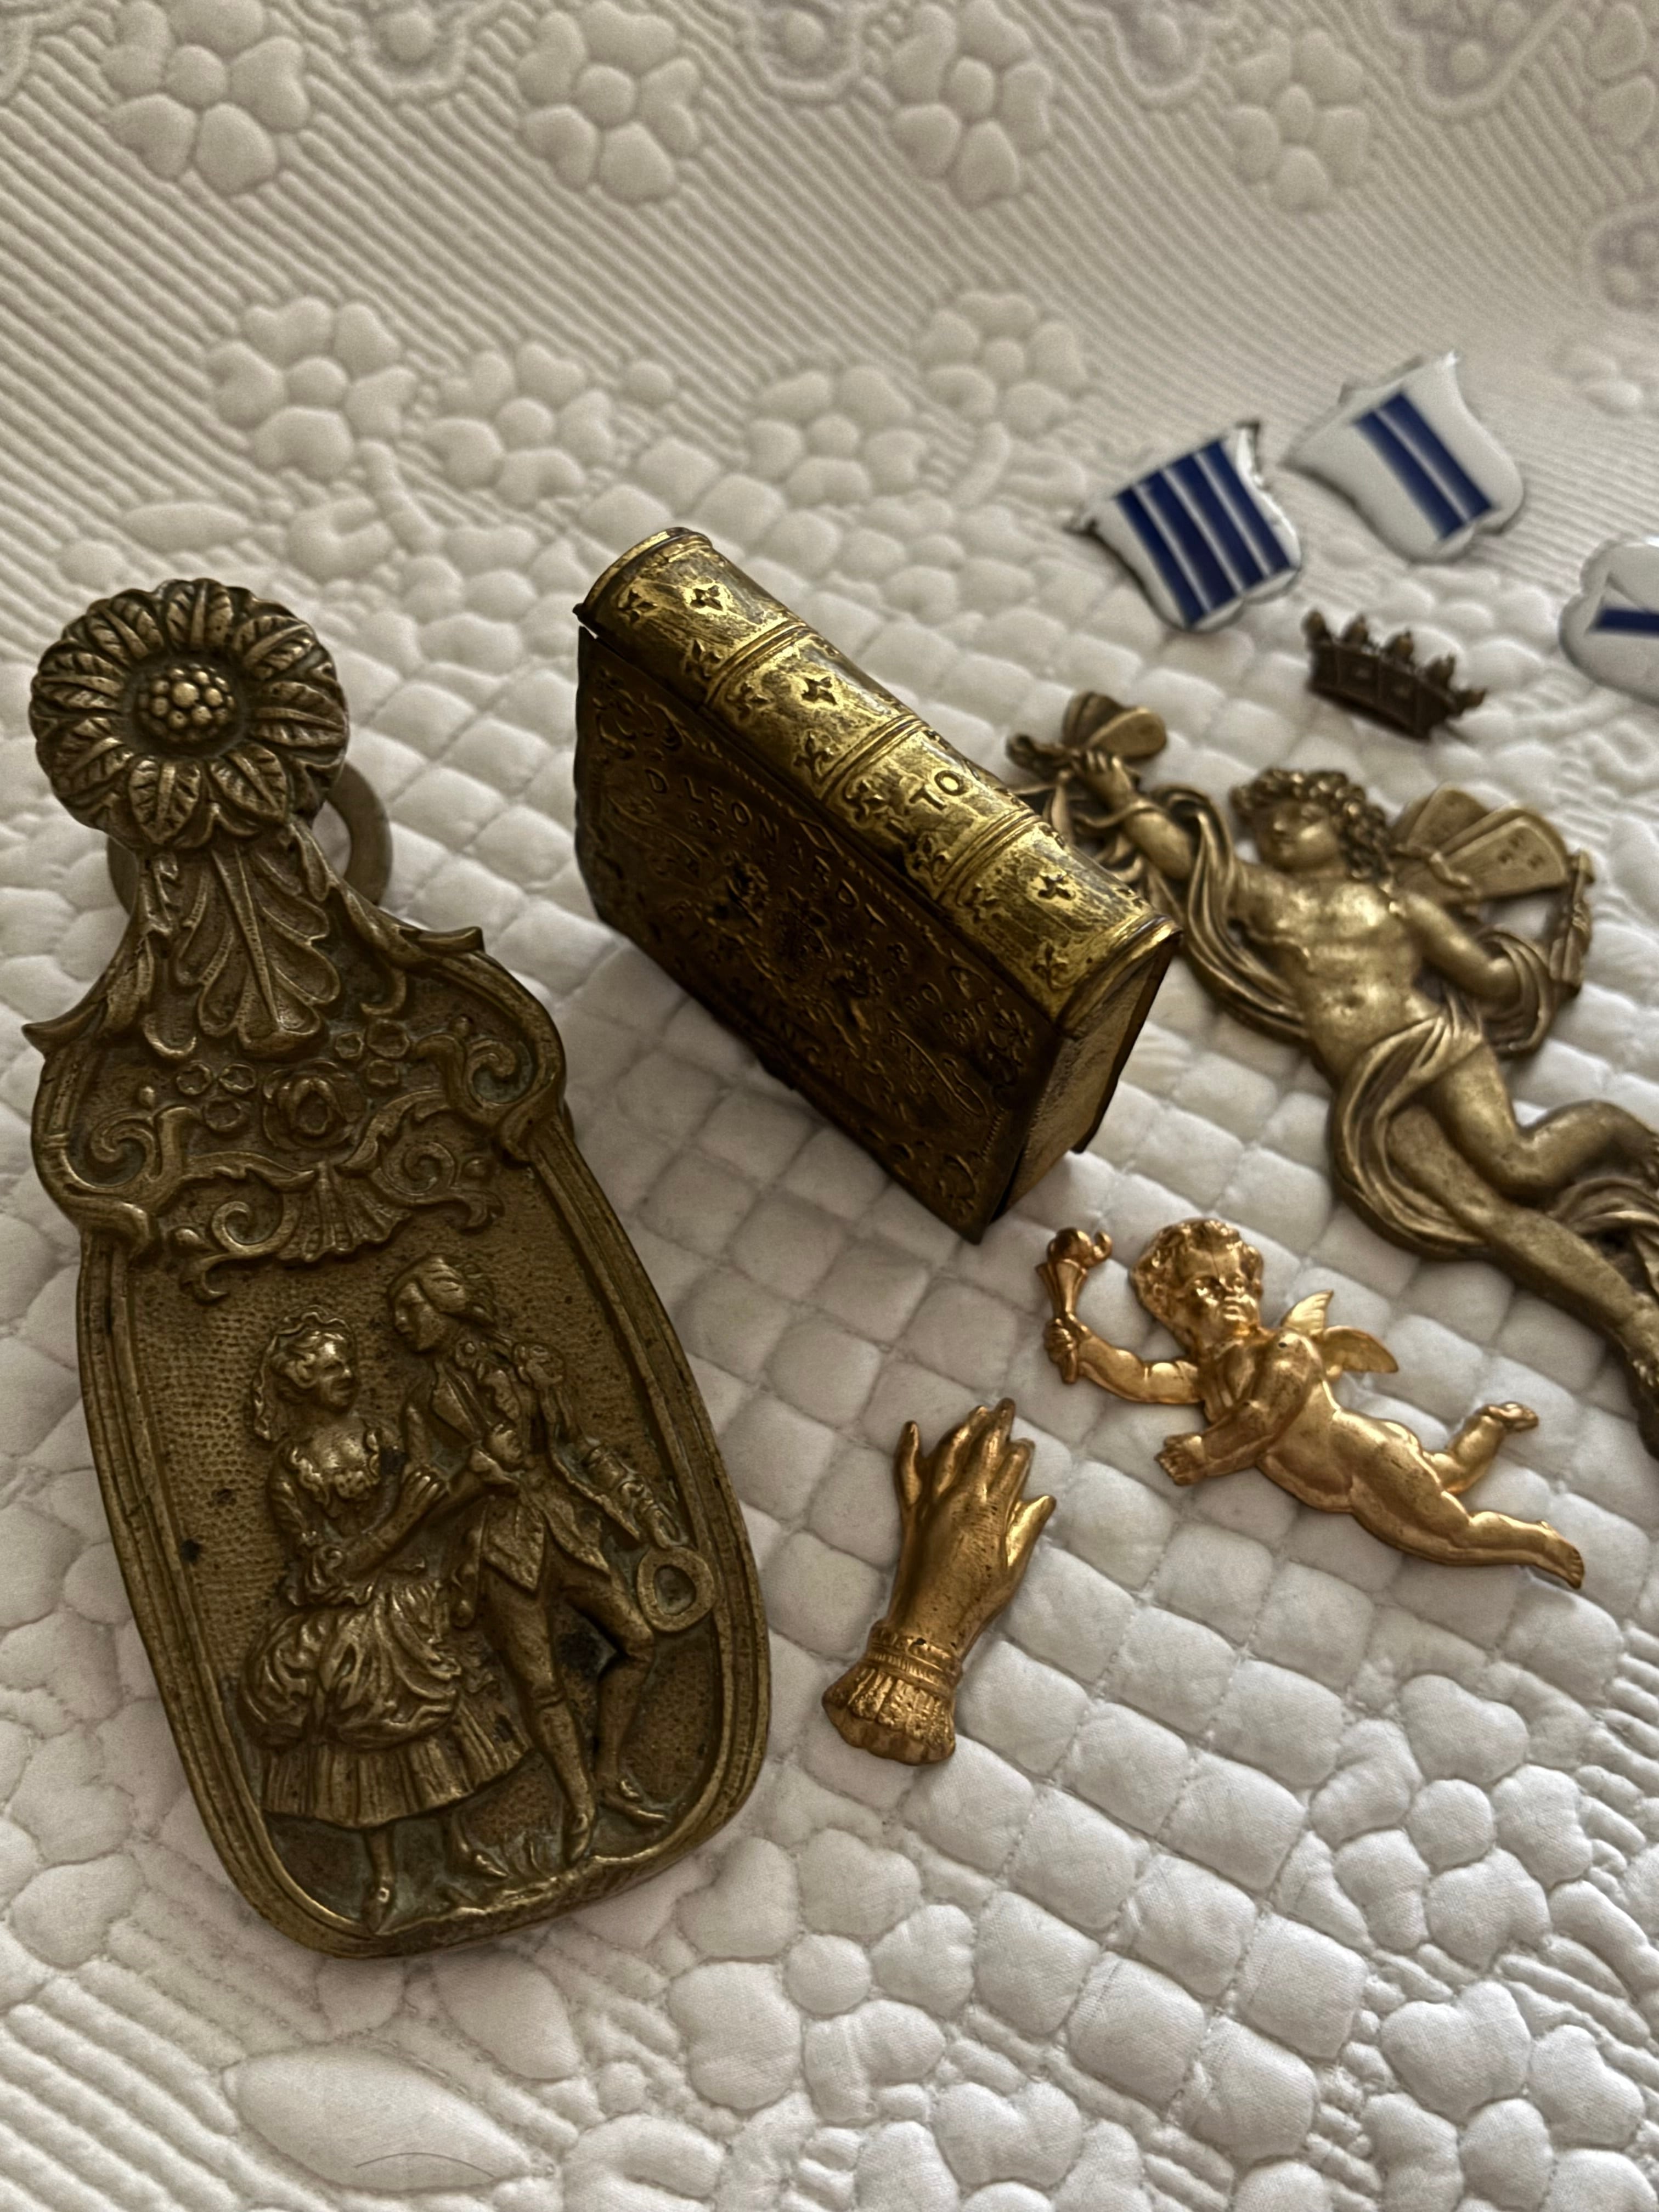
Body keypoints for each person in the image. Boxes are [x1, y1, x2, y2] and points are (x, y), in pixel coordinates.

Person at [1089, 758, 1659, 1428]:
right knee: (1481, 1216)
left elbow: (1486, 980)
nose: (1280, 832)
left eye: (1303, 817)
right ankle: (1636, 1320)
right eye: (1269, 825)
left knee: (1519, 1166)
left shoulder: (1400, 904)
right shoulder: (1269, 898)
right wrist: (1123, 795)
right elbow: (1188, 861)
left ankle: (1622, 1133)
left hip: (1438, 1046)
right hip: (1371, 1083)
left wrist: (1551, 953)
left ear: (1347, 828)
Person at [1043, 1217, 1583, 1585]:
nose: (1230, 1294)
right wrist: (1085, 1346)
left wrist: (1207, 1451)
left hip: (1367, 1455)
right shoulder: (1204, 1377)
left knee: (1452, 1533)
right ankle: (1491, 1424)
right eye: (1206, 1288)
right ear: (1172, 1310)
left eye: (1238, 1282)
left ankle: (1538, 1544)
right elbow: (1140, 1378)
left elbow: (1264, 1417)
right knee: (1445, 1473)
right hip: (1346, 1477)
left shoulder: (1287, 1348)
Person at [238, 1312, 524, 1933]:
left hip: (405, 1601)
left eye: (347, 1363)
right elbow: (328, 1568)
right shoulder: (291, 1471)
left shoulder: (379, 1438)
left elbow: (425, 1515)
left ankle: (458, 1843)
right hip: (347, 1618)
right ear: (301, 1383)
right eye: (330, 1368)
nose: (347, 1374)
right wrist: (400, 1523)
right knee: (364, 1737)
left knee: (436, 1726)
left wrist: (468, 1483)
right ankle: (386, 1874)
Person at [388, 1252, 671, 1861]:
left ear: (447, 1305)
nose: (401, 1323)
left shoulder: (525, 1366)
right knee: (540, 1686)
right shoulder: (421, 1405)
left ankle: (609, 1773)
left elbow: (579, 1445)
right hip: (497, 1550)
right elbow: (422, 1512)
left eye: (411, 1308)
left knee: (639, 1641)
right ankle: (580, 1804)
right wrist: (474, 1475)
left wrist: (638, 1502)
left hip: (565, 1526)